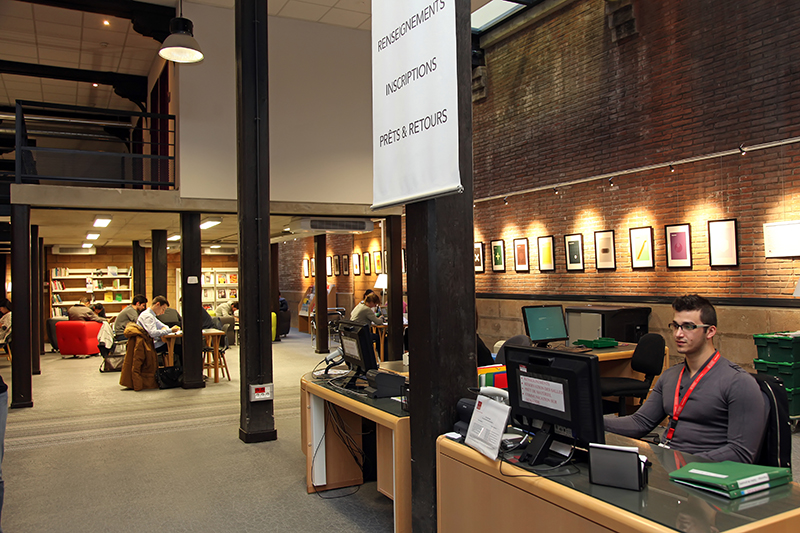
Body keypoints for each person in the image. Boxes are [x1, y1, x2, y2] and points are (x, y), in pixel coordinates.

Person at [605, 294, 765, 463]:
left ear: (710, 331)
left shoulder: (738, 382)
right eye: (676, 326)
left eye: (688, 327)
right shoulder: (670, 376)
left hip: (704, 470)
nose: (678, 334)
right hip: (668, 462)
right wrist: (591, 419)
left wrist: (686, 465)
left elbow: (740, 452)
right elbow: (640, 423)